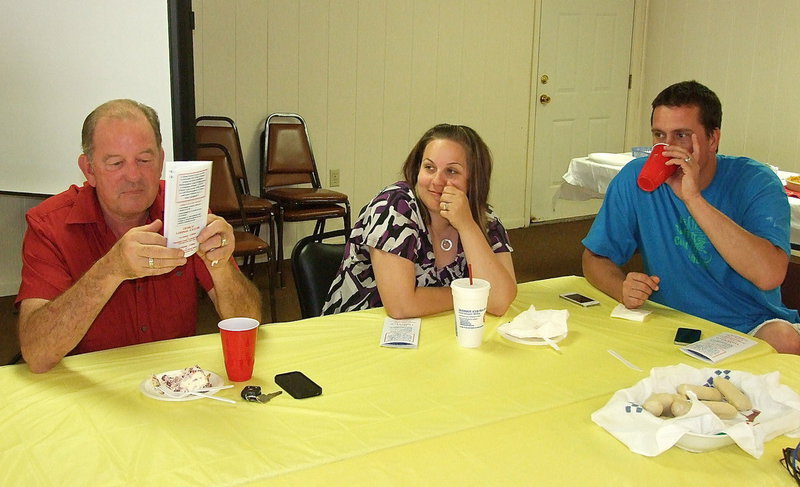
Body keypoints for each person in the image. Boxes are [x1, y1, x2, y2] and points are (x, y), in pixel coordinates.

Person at [16, 99, 262, 373]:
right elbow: (37, 354)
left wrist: (221, 266)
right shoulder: (49, 224)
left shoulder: (184, 207)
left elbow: (248, 320)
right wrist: (109, 271)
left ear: (161, 161)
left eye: (144, 160)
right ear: (89, 170)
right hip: (91, 389)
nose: (133, 176)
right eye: (116, 163)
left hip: (174, 385)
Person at [582, 80, 800, 354]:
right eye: (659, 136)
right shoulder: (634, 178)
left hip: (746, 324)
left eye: (682, 135)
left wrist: (693, 199)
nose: (668, 147)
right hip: (668, 319)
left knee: (785, 339)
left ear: (712, 139)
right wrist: (621, 288)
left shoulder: (756, 182)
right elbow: (595, 257)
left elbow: (769, 275)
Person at [322, 123, 517, 318]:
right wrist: (470, 295)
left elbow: (498, 302)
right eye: (429, 168)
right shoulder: (393, 207)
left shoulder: (485, 219)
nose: (437, 181)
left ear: (474, 179)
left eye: (451, 171)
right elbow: (401, 307)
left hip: (434, 330)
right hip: (360, 329)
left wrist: (467, 226)